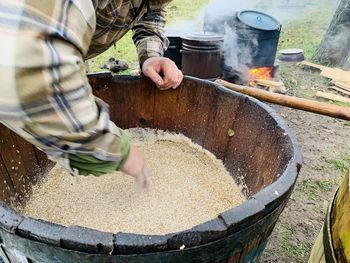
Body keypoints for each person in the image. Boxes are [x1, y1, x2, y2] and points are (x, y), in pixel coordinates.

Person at [0, 0, 183, 187]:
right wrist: (111, 150)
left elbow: (151, 11)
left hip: (69, 51)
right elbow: (27, 74)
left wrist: (150, 55)